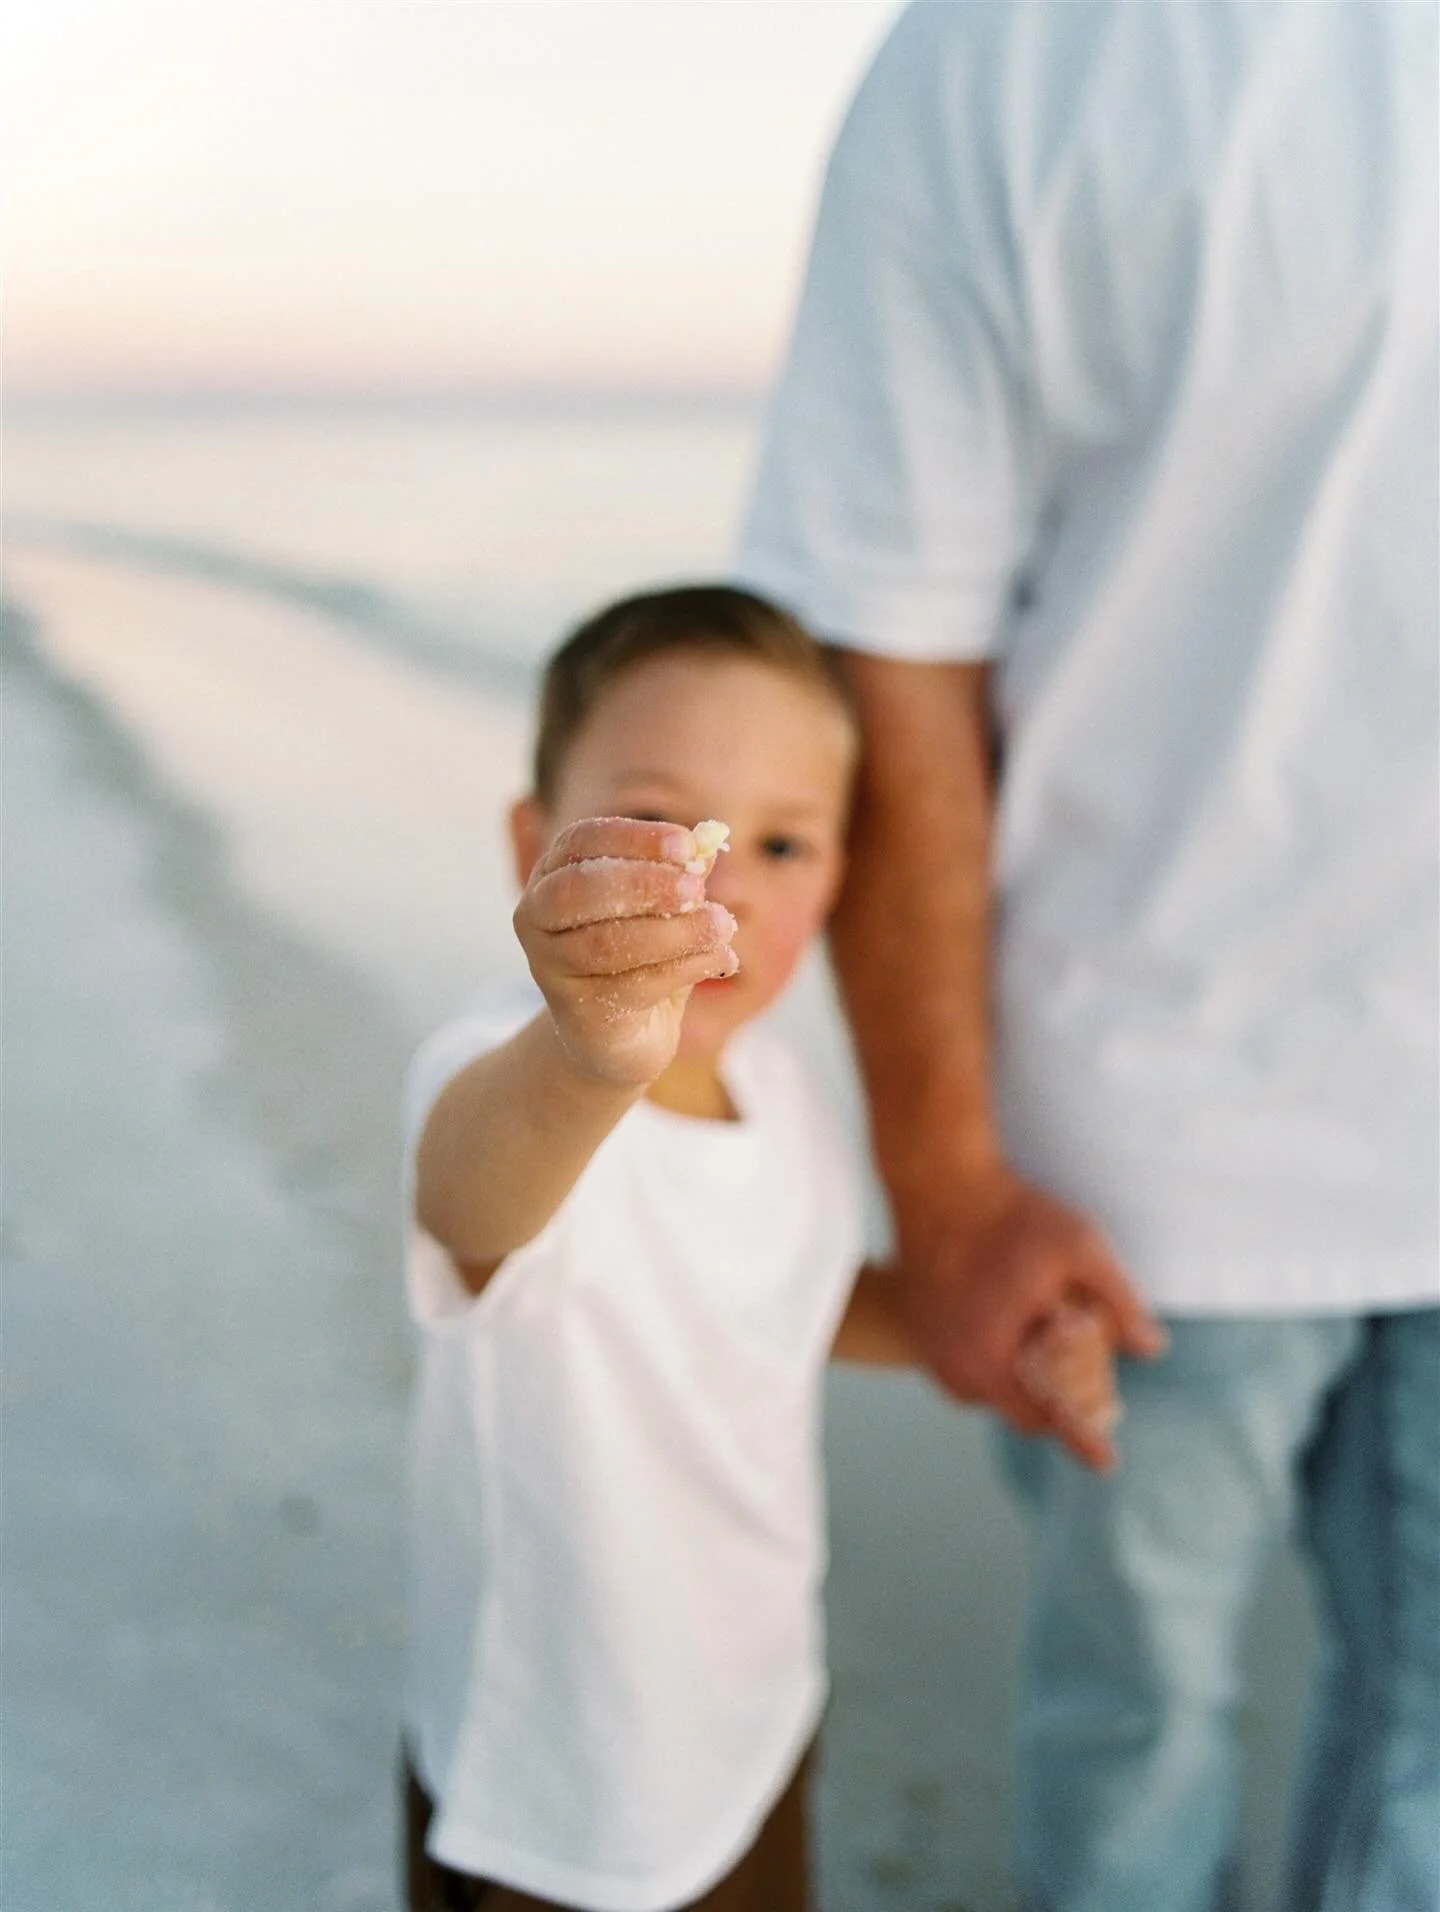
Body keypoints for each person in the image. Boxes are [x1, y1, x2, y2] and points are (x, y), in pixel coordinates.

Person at [735, 5, 1439, 1911]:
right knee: (1133, 1732)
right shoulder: (1000, 60)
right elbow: (889, 653)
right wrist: (944, 1176)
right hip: (1147, 1150)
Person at [401, 582, 1114, 1912]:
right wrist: (590, 1052)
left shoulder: (787, 1092)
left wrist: (988, 1342)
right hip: (568, 1798)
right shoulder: (510, 1078)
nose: (717, 882)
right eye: (660, 824)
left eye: (784, 847)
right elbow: (468, 1206)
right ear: (529, 845)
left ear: (843, 881)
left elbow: (790, 1292)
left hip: (748, 1714)